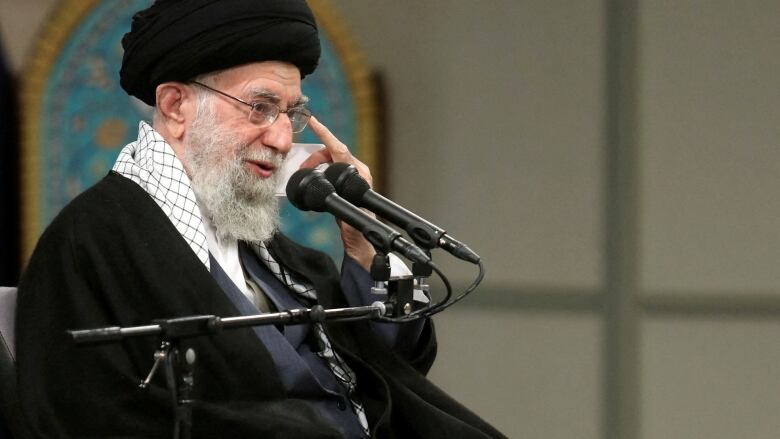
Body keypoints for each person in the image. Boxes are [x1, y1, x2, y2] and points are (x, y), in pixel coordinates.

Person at [16, 1, 505, 438]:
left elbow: (394, 369)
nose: (281, 139)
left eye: (289, 114)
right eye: (260, 107)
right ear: (176, 105)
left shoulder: (272, 252)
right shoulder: (92, 242)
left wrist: (364, 248)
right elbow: (85, 416)